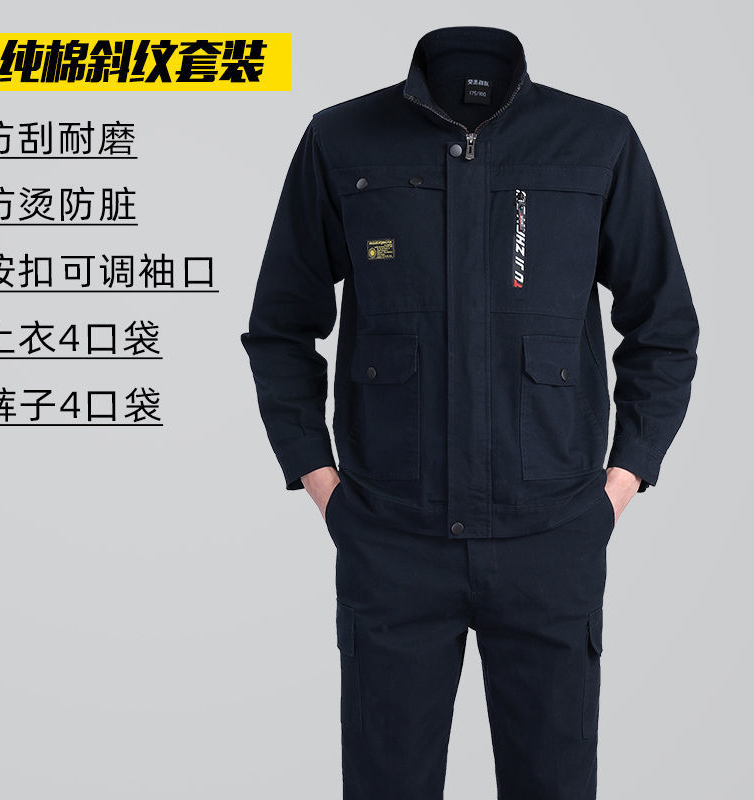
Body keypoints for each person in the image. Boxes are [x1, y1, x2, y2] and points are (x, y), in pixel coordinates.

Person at [241, 26, 699, 800]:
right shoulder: (343, 139)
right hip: (391, 540)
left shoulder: (596, 141)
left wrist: (618, 488)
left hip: (553, 539)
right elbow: (281, 329)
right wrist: (323, 487)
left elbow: (664, 329)